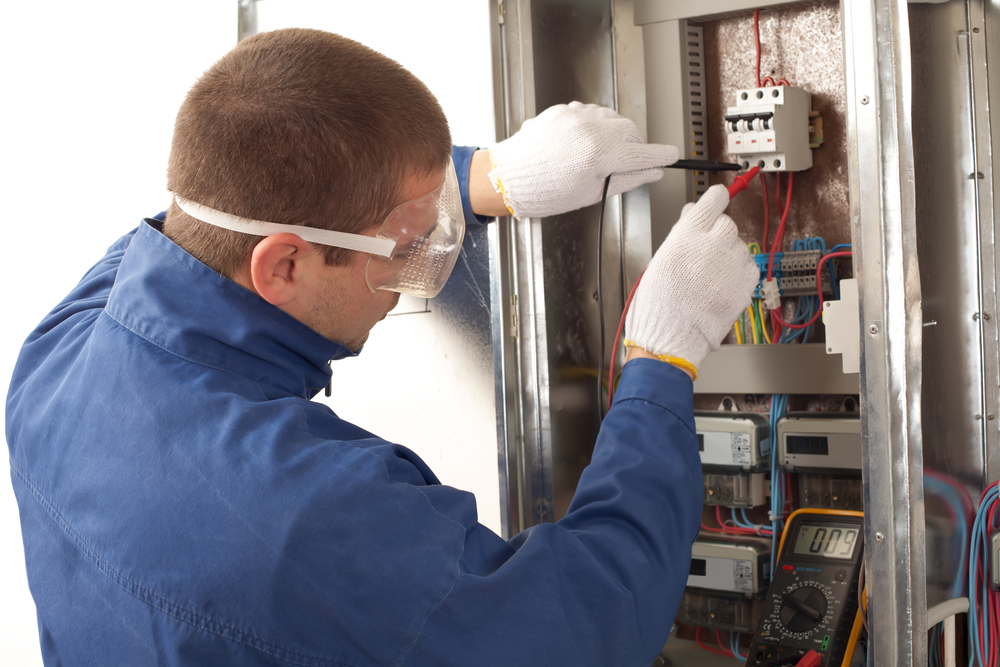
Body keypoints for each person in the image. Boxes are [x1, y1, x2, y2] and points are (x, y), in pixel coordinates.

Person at [5, 28, 758, 666]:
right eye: (407, 247)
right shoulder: (306, 520)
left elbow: (198, 215)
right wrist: (662, 361)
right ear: (285, 265)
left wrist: (487, 177)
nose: (415, 278)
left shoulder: (61, 350)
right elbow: (589, 622)